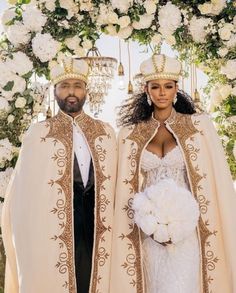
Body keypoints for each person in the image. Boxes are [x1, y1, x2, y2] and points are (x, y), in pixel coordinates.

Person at [110, 54, 236, 293]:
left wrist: (183, 223)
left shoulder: (198, 127)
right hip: (147, 232)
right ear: (146, 90)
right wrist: (149, 223)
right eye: (155, 87)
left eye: (168, 86)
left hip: (189, 231)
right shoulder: (130, 133)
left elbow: (214, 180)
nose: (162, 93)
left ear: (176, 89)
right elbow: (125, 187)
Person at [2, 57, 117, 293]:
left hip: (98, 224)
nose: (71, 92)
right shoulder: (39, 133)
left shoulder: (105, 131)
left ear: (86, 90)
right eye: (64, 86)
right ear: (55, 91)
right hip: (55, 228)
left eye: (77, 85)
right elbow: (23, 195)